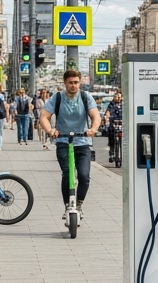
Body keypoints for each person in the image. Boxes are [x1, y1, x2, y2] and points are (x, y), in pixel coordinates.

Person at [40, 69, 101, 224]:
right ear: (65, 83)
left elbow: (95, 116)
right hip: (63, 141)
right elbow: (44, 117)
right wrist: (50, 130)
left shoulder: (85, 97)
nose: (73, 86)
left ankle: (79, 204)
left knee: (84, 176)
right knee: (67, 173)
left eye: (76, 82)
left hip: (82, 142)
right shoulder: (58, 98)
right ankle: (68, 205)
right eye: (70, 83)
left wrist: (93, 129)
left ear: (80, 82)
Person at [102, 91, 124, 162]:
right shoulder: (111, 104)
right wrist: (106, 118)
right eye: (117, 96)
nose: (118, 98)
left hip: (122, 124)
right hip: (113, 124)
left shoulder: (124, 105)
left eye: (119, 97)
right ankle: (112, 153)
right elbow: (108, 113)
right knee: (111, 136)